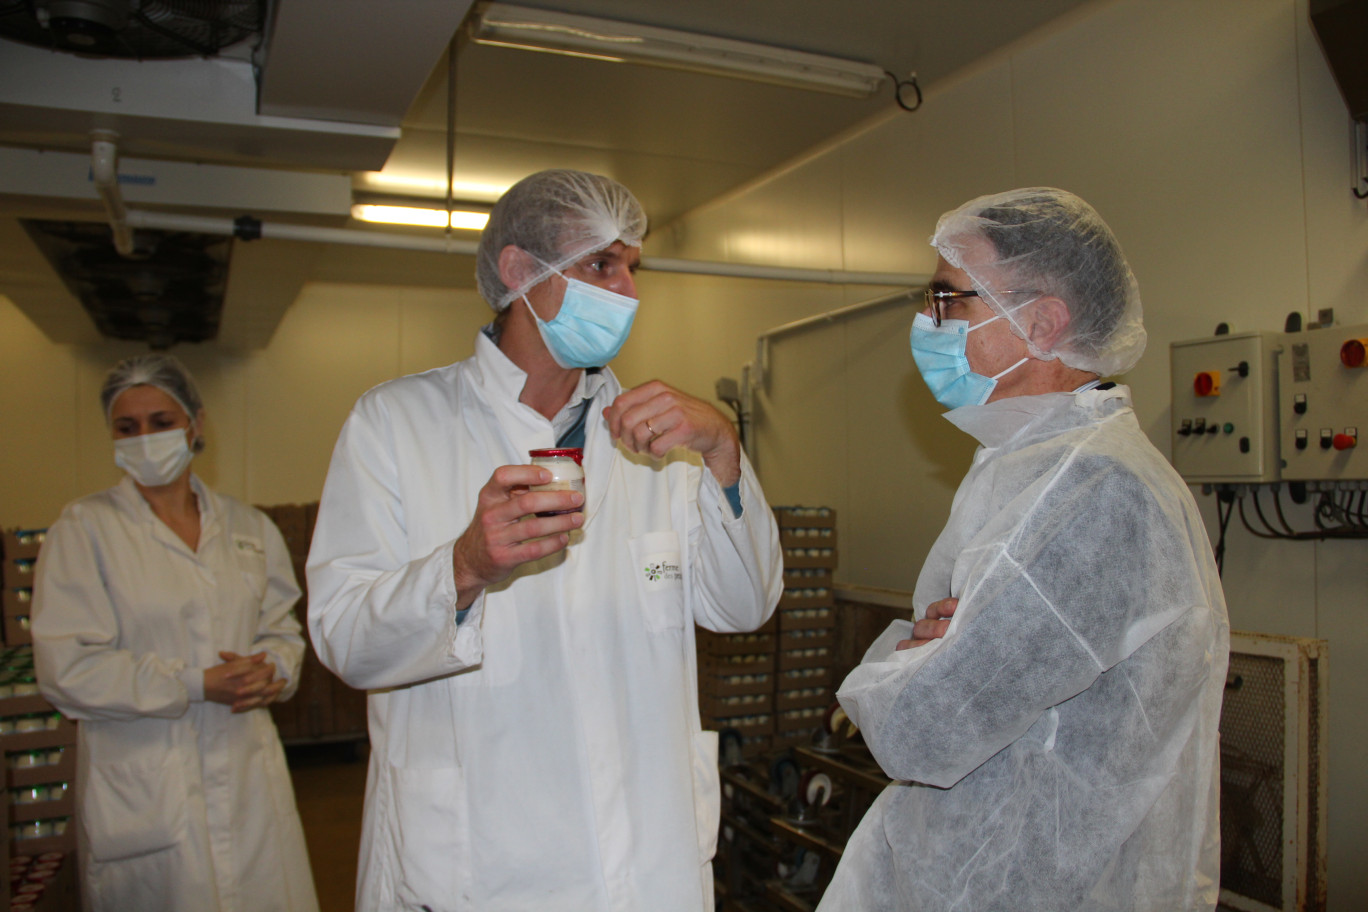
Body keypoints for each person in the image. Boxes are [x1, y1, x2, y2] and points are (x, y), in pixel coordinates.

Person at [306, 168, 783, 912]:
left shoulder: (655, 436)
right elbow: (344, 639)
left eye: (632, 266)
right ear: (520, 270)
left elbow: (744, 605)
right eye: (601, 264)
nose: (627, 289)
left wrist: (724, 453)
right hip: (483, 868)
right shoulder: (397, 425)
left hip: (645, 862)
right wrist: (463, 566)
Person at [817, 188, 1229, 912]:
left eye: (949, 300)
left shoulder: (1093, 490)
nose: (927, 321)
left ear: (1040, 322)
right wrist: (926, 653)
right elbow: (944, 666)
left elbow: (925, 728)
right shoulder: (1030, 464)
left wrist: (903, 664)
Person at [30, 354, 319, 912]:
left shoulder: (249, 529)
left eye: (161, 422)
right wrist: (195, 682)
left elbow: (281, 629)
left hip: (244, 772)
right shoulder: (83, 529)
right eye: (127, 427)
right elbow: (67, 669)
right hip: (145, 789)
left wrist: (274, 670)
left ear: (195, 424)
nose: (145, 438)